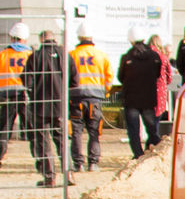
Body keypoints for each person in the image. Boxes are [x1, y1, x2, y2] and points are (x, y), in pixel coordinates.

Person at [24, 26, 70, 187]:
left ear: (41, 39)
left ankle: (49, 176)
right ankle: (69, 174)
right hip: (60, 104)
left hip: (40, 105)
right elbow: (75, 80)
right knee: (61, 139)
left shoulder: (35, 56)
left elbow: (26, 81)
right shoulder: (65, 55)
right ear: (54, 38)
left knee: (43, 141)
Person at [0, 22, 32, 174]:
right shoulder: (30, 55)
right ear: (25, 39)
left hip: (7, 98)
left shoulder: (1, 56)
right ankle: (44, 165)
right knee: (34, 131)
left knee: (4, 133)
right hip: (26, 97)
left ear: (11, 37)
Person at [68, 23, 111, 171]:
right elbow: (109, 78)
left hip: (76, 99)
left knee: (76, 132)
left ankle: (78, 164)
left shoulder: (72, 55)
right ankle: (93, 163)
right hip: (95, 99)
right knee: (94, 132)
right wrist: (104, 92)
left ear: (79, 37)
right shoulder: (101, 55)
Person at [117, 25, 163, 157]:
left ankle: (138, 154)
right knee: (151, 127)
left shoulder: (126, 57)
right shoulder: (154, 56)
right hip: (149, 98)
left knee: (133, 130)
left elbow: (121, 77)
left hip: (131, 99)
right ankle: (156, 150)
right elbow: (158, 74)